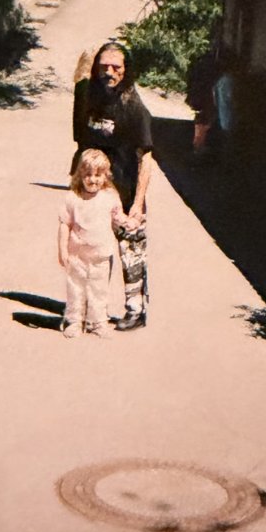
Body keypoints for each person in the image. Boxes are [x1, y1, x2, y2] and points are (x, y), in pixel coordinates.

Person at [72, 41, 153, 331]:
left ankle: (135, 310)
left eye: (116, 67)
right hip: (93, 191)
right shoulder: (87, 95)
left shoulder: (134, 107)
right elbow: (81, 143)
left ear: (126, 70)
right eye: (104, 66)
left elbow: (146, 159)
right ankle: (93, 310)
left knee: (131, 253)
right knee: (91, 251)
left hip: (126, 191)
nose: (109, 72)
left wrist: (137, 205)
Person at [57, 149, 127, 339]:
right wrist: (62, 250)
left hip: (101, 254)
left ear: (106, 176)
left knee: (99, 289)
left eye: (98, 175)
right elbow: (64, 225)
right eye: (88, 175)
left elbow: (117, 217)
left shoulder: (110, 196)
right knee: (76, 288)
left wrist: (128, 221)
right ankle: (74, 321)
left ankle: (98, 322)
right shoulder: (73, 198)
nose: (93, 180)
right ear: (80, 174)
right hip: (77, 254)